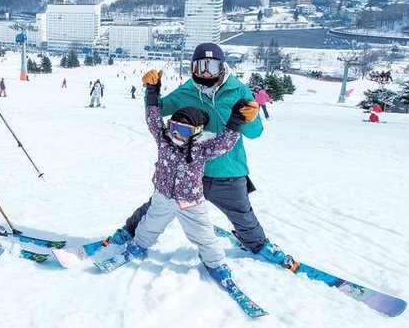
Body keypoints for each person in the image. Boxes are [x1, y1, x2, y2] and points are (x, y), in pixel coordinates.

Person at [108, 43, 290, 265]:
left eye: (211, 66)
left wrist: (250, 119)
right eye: (200, 66)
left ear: (222, 67)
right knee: (158, 203)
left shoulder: (238, 90)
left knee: (242, 214)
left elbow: (256, 133)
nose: (205, 72)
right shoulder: (187, 90)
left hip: (226, 170)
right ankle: (130, 230)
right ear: (193, 67)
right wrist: (151, 87)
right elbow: (161, 108)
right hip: (188, 168)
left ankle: (259, 245)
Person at [109, 69, 252, 281]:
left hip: (190, 203)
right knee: (149, 225)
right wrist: (152, 91)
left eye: (183, 131)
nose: (176, 134)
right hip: (163, 196)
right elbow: (153, 117)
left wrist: (236, 121)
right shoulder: (164, 140)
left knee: (203, 235)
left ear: (196, 133)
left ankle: (216, 263)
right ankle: (139, 245)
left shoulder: (201, 150)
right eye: (174, 127)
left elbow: (225, 143)